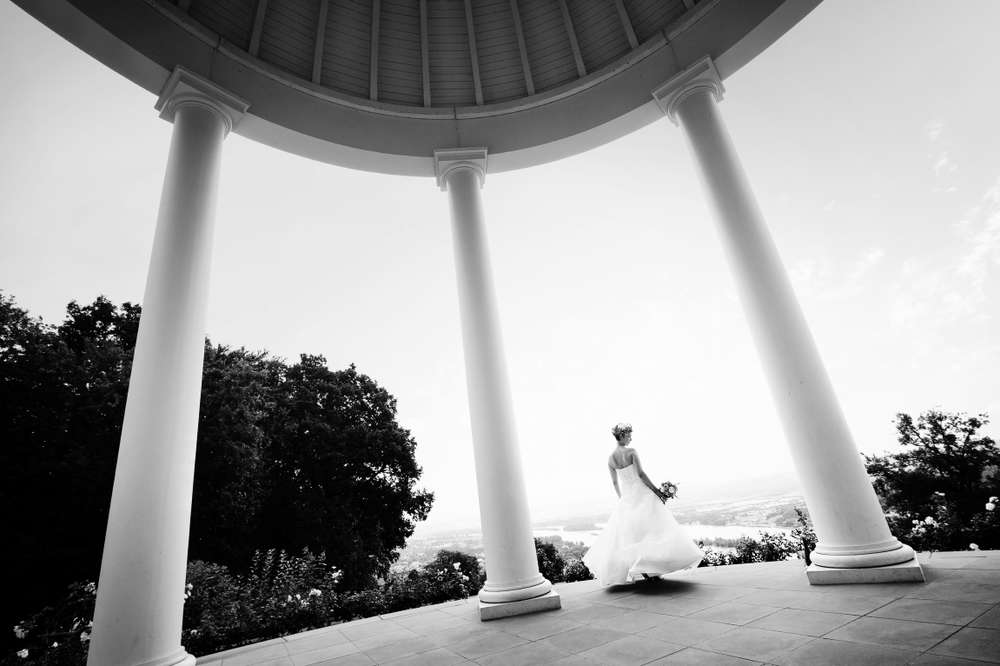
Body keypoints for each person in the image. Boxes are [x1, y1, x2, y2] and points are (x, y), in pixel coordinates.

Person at [583, 423, 702, 585]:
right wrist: (657, 491)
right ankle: (650, 568)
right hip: (641, 493)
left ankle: (646, 569)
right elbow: (640, 474)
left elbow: (615, 482)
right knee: (654, 530)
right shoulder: (631, 452)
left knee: (634, 535)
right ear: (622, 435)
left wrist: (622, 499)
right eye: (629, 435)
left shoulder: (610, 459)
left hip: (627, 497)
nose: (631, 438)